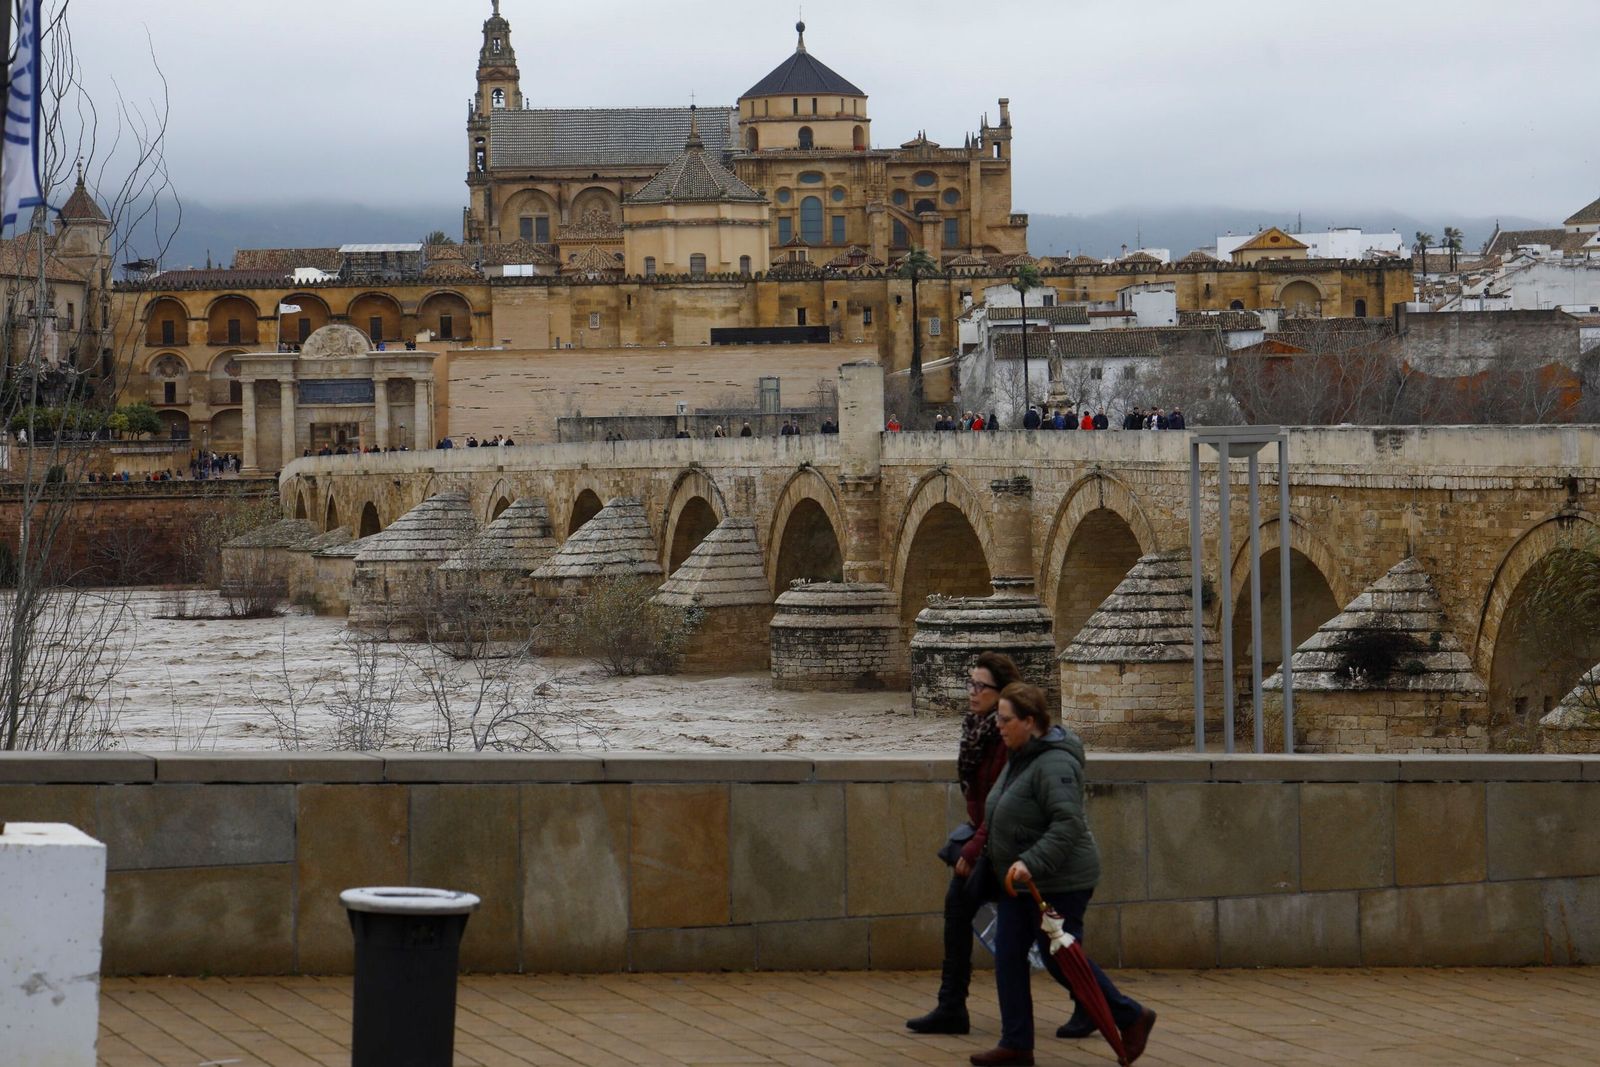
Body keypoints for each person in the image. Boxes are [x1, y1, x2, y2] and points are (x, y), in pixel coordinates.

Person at [970, 683, 1156, 1066]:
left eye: (1005, 720)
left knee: (1060, 959)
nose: (998, 727)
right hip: (1020, 882)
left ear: (1030, 721)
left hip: (1058, 881)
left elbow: (1066, 824)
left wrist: (1030, 862)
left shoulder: (1055, 763)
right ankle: (1017, 1044)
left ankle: (1131, 1015)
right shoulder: (1020, 754)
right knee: (1008, 956)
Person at [906, 652, 1023, 1038]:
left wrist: (973, 849)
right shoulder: (978, 729)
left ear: (1001, 692)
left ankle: (1110, 1008)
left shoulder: (1008, 737)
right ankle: (951, 1006)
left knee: (1043, 941)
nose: (971, 693)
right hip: (989, 840)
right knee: (959, 909)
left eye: (980, 686)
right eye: (970, 684)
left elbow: (1005, 803)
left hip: (1009, 848)